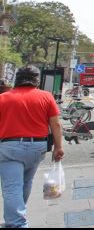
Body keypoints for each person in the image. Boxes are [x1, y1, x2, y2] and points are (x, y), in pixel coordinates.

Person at [0, 67, 64, 228]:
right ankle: (18, 214)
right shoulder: (46, 96)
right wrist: (58, 147)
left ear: (17, 79)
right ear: (36, 80)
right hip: (38, 147)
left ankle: (16, 223)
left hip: (10, 148)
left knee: (12, 187)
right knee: (26, 182)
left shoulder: (3, 98)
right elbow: (56, 124)